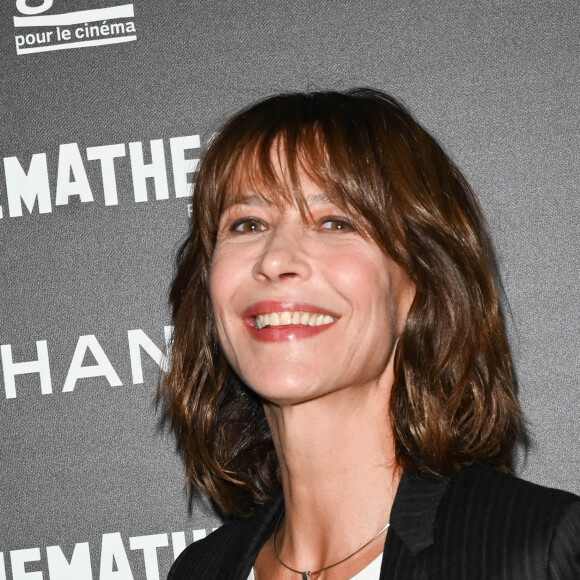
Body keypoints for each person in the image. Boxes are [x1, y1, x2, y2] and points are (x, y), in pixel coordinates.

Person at [160, 89, 580, 579]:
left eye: (335, 222)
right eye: (248, 223)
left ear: (421, 281)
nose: (275, 259)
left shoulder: (533, 548)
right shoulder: (200, 572)